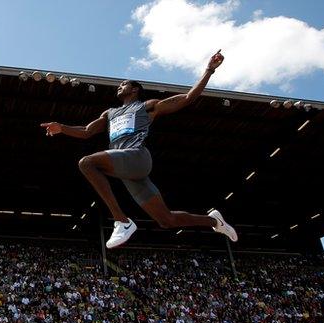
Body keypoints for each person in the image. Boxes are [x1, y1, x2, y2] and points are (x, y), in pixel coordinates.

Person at [41, 50, 237, 248]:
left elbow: (187, 98)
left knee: (87, 162)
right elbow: (86, 131)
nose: (119, 86)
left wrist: (209, 70)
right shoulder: (110, 113)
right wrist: (62, 128)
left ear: (134, 90)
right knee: (166, 220)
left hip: (138, 157)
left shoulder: (147, 107)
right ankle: (214, 221)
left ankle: (122, 221)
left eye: (123, 84)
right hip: (128, 171)